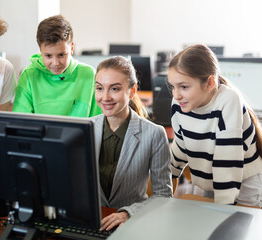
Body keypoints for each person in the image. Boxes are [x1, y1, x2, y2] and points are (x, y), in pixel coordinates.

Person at [168, 44, 262, 207]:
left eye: (184, 86)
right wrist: (168, 175)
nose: (176, 94)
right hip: (213, 178)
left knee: (238, 228)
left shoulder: (228, 100)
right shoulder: (180, 102)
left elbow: (228, 161)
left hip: (244, 181)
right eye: (172, 86)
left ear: (210, 83)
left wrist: (221, 209)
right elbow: (181, 144)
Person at [92, 56, 173, 231]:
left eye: (114, 88)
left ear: (132, 91)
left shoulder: (154, 134)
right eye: (99, 88)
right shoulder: (85, 129)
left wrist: (128, 213)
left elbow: (163, 195)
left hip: (131, 224)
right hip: (92, 221)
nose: (105, 97)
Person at [12, 15, 101, 117]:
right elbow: (21, 121)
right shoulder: (29, 75)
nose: (55, 63)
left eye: (61, 55)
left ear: (72, 48)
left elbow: (98, 122)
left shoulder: (89, 74)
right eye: (48, 56)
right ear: (40, 50)